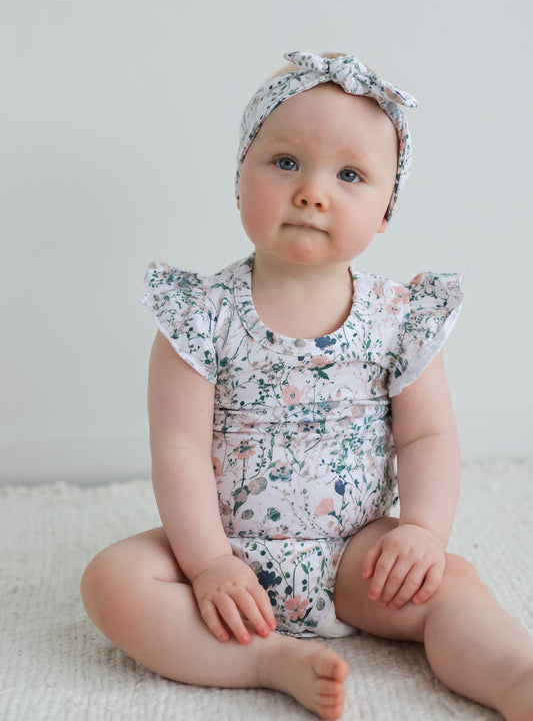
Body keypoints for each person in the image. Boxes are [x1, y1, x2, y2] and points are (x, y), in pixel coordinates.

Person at [81, 51, 533, 721]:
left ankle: (514, 677)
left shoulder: (399, 319)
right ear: (240, 179)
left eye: (349, 175)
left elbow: (428, 434)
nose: (312, 192)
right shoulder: (200, 317)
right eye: (286, 162)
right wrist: (206, 564)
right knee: (112, 582)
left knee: (451, 583)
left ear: (384, 211)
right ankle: (264, 659)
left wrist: (422, 533)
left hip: (355, 559)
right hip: (223, 552)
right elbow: (177, 448)